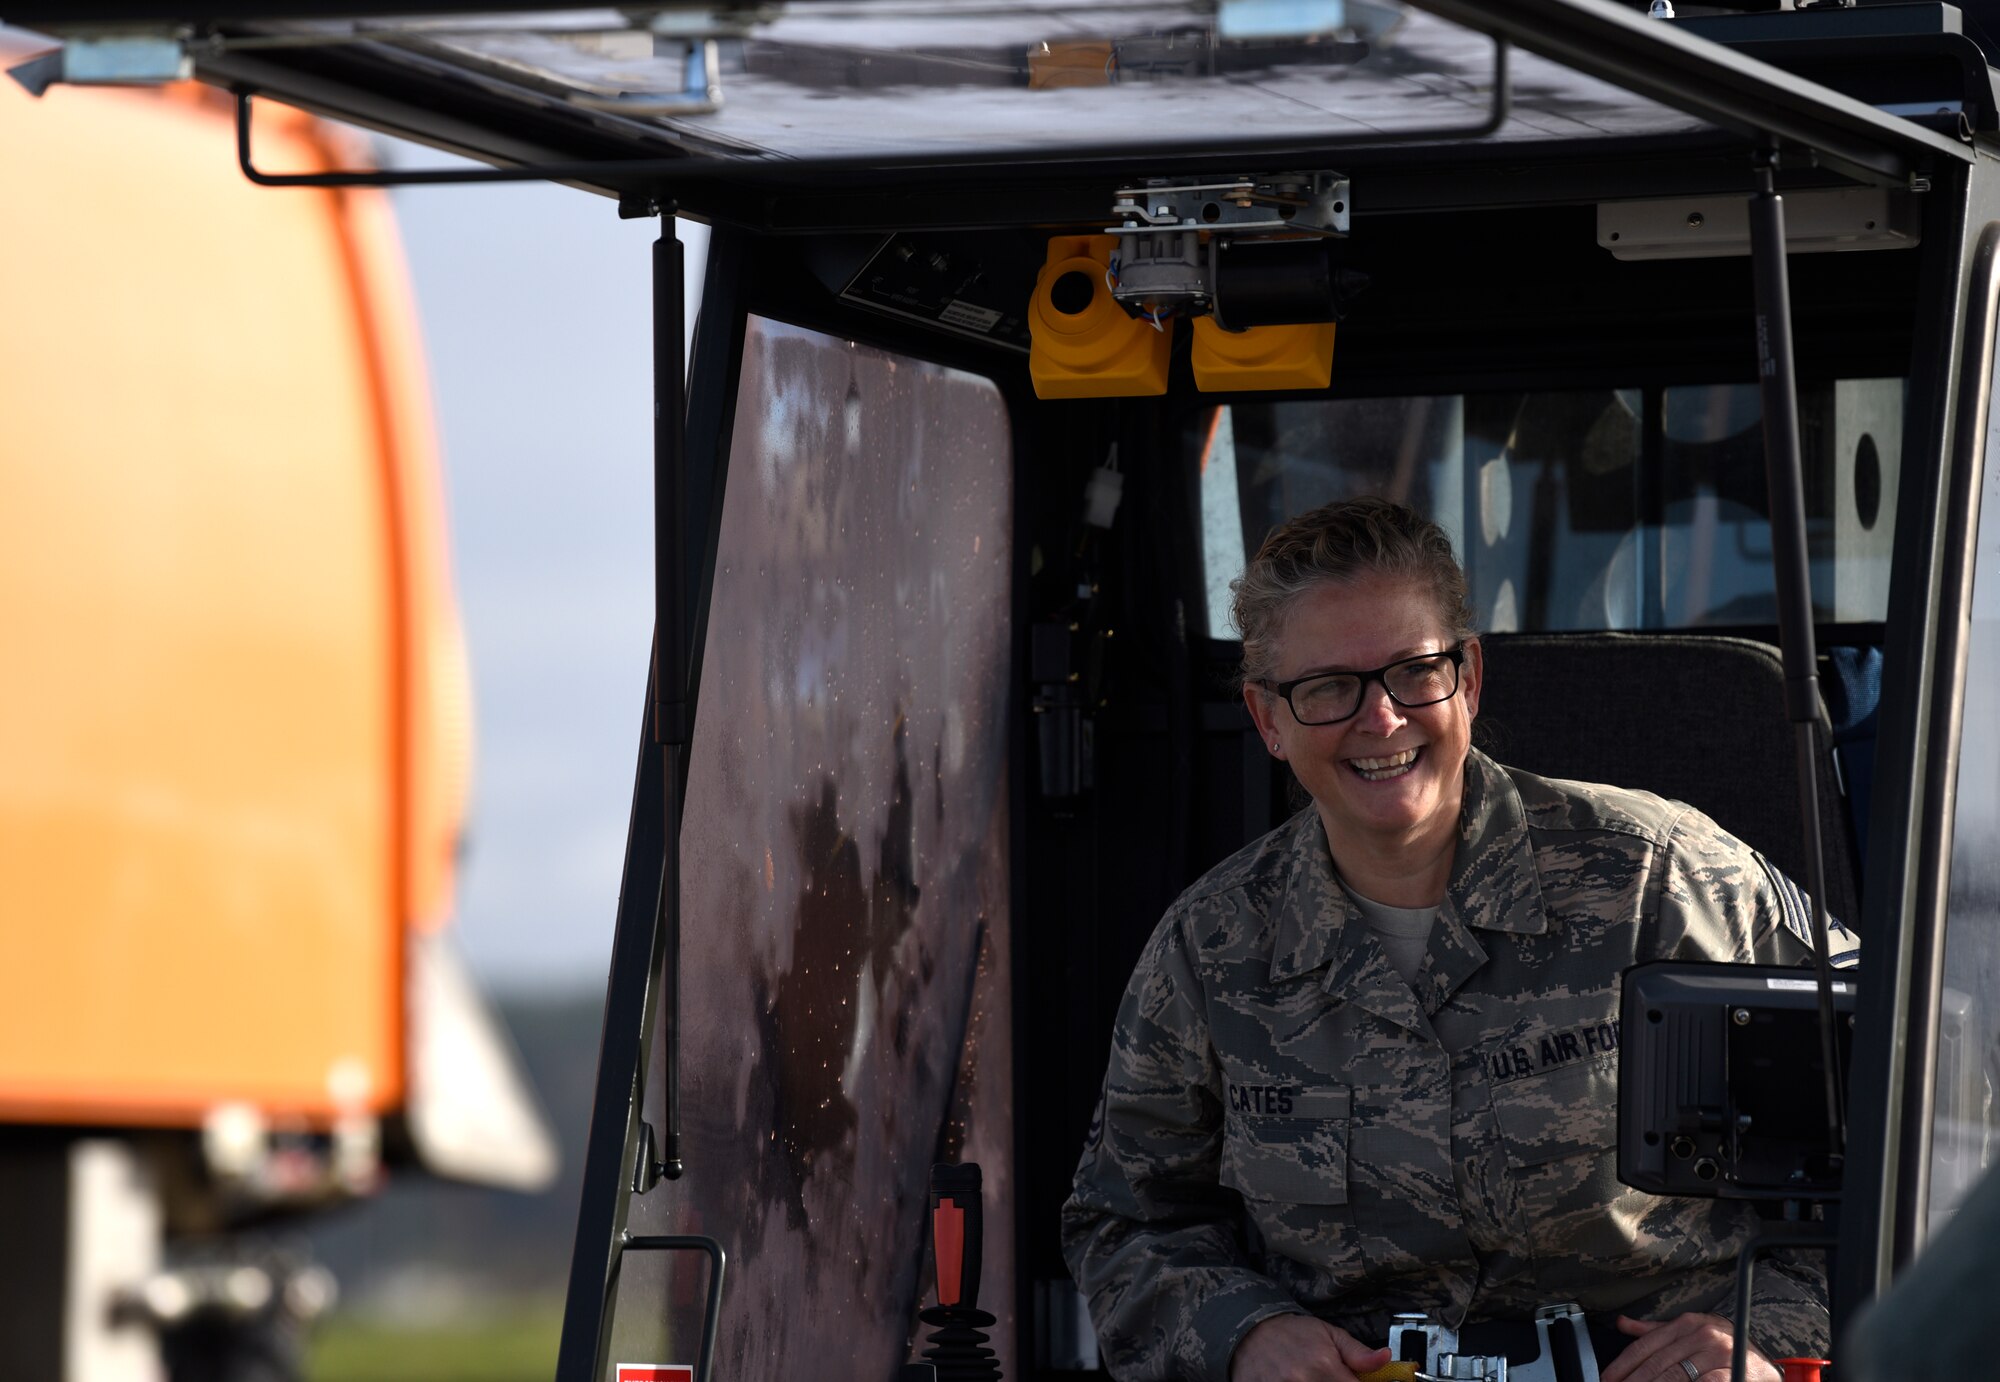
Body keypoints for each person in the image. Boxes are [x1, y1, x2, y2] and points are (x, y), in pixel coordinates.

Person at [1061, 497, 1848, 1382]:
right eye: (1328, 687)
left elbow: (1920, 1124)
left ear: (1467, 678)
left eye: (1413, 672)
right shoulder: (1212, 947)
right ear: (1268, 721)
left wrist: (1764, 1334)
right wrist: (1242, 1336)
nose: (1383, 719)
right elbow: (1126, 1221)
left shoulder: (1661, 882)